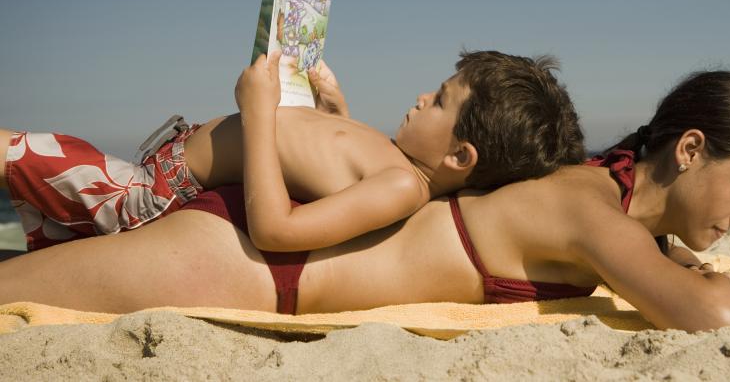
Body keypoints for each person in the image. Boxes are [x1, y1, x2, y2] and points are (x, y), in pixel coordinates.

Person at [0, 69, 730, 333]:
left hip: (263, 250)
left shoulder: (593, 199)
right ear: (689, 150)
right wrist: (707, 277)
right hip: (245, 261)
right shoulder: (591, 208)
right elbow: (711, 317)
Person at [0, 50, 585, 253]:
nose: (421, 95)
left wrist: (258, 110)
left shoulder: (404, 187)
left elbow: (278, 229)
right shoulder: (396, 165)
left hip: (148, 198)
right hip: (157, 174)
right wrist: (336, 111)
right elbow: (336, 166)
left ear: (460, 157)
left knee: (19, 153)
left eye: (440, 102)